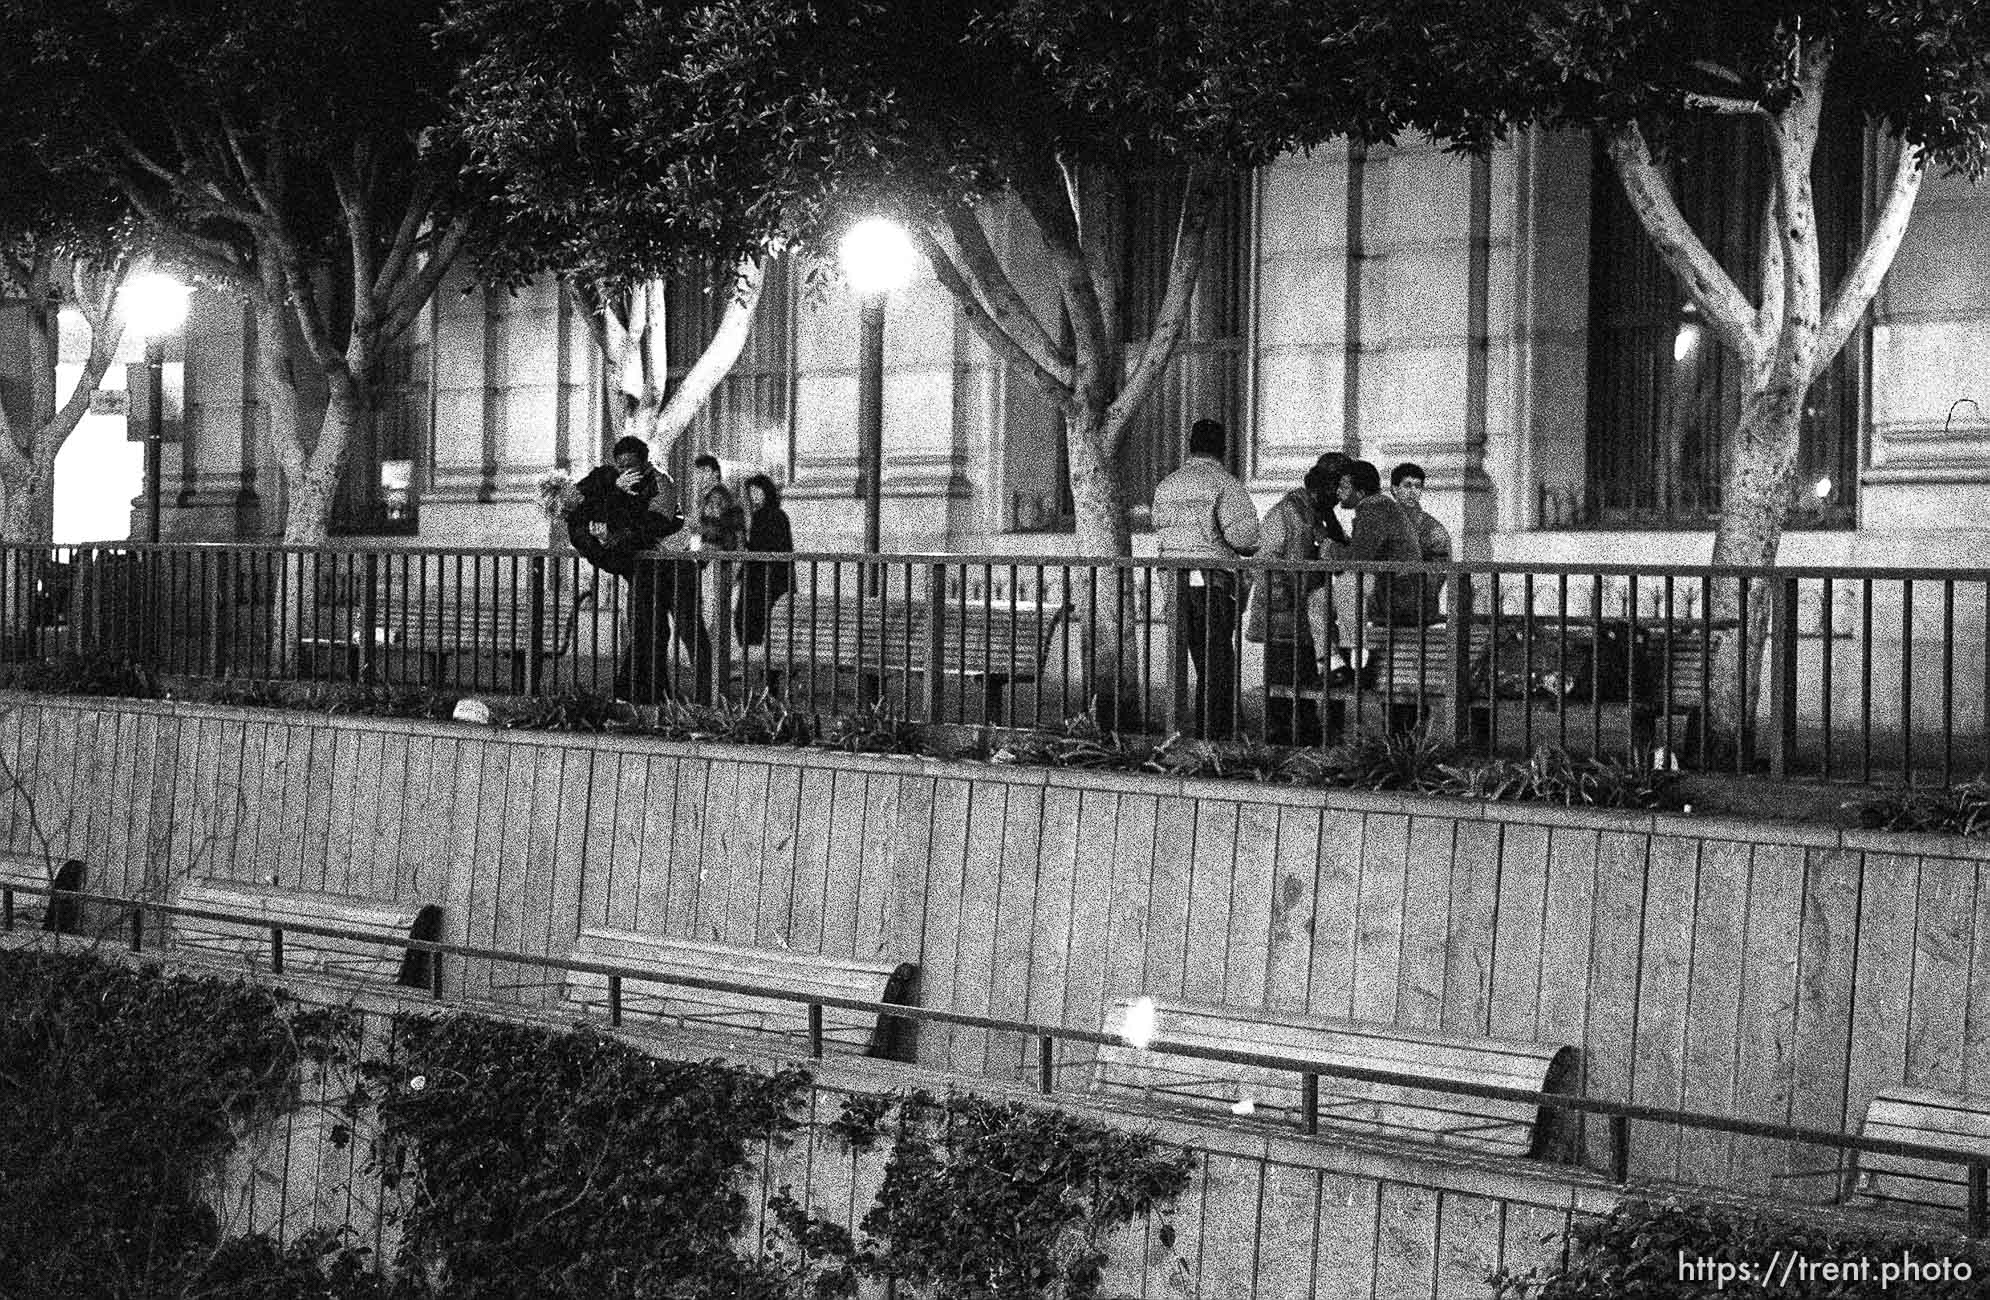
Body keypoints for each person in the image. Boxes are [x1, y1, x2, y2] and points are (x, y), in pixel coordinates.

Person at [1152, 418, 1260, 738]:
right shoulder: (1225, 484)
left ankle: (1183, 729)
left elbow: (1160, 530)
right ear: (1223, 448)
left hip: (1174, 581)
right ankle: (1216, 731)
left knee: (1193, 658)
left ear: (1191, 445)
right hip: (1213, 581)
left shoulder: (1167, 485)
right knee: (1219, 660)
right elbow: (1246, 538)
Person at [559, 435, 682, 703]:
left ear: (645, 464)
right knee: (648, 628)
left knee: (655, 629)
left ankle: (643, 692)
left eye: (632, 466)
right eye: (621, 465)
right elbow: (578, 507)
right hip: (637, 564)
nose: (626, 471)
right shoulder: (607, 480)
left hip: (662, 564)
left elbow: (654, 523)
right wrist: (614, 497)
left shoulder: (659, 483)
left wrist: (615, 534)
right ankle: (644, 692)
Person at [660, 454, 746, 700]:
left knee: (711, 620)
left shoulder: (715, 497)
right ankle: (716, 678)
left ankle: (713, 682)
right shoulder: (720, 496)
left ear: (715, 473)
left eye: (703, 473)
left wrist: (695, 553)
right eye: (697, 473)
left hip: (717, 563)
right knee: (715, 620)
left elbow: (711, 533)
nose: (698, 478)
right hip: (724, 562)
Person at [1342, 459, 1427, 648]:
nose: (1338, 491)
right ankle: (1338, 659)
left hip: (1397, 596)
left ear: (1360, 491)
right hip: (1397, 590)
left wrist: (1329, 547)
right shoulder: (1380, 506)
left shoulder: (1374, 508)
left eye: (1343, 486)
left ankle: (1351, 656)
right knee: (1322, 601)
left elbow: (1359, 558)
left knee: (1345, 587)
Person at [734, 474, 795, 688]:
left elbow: (762, 546)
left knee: (758, 626)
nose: (753, 496)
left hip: (766, 581)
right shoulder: (769, 515)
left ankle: (768, 677)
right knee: (758, 626)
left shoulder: (768, 516)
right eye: (750, 493)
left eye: (757, 491)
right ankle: (767, 675)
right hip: (763, 580)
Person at [1391, 462, 1453, 626]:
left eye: (1418, 487)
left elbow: (1439, 570)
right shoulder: (1382, 522)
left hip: (1416, 607)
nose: (1413, 492)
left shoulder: (1432, 528)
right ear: (1394, 489)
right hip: (1383, 604)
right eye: (1407, 486)